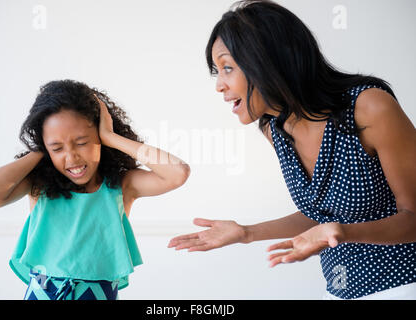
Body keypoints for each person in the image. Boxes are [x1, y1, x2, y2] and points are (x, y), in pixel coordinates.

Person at [168, 0, 416, 300]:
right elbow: (321, 215)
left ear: (268, 61)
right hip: (340, 292)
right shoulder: (274, 129)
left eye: (228, 68)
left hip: (403, 286)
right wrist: (246, 233)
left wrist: (343, 232)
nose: (219, 85)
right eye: (216, 71)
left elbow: (412, 216)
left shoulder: (369, 107)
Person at [0, 79, 190, 300]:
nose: (71, 157)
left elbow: (177, 173)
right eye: (57, 147)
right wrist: (40, 150)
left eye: (82, 142)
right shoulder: (39, 184)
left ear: (99, 135)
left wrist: (112, 138)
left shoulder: (120, 185)